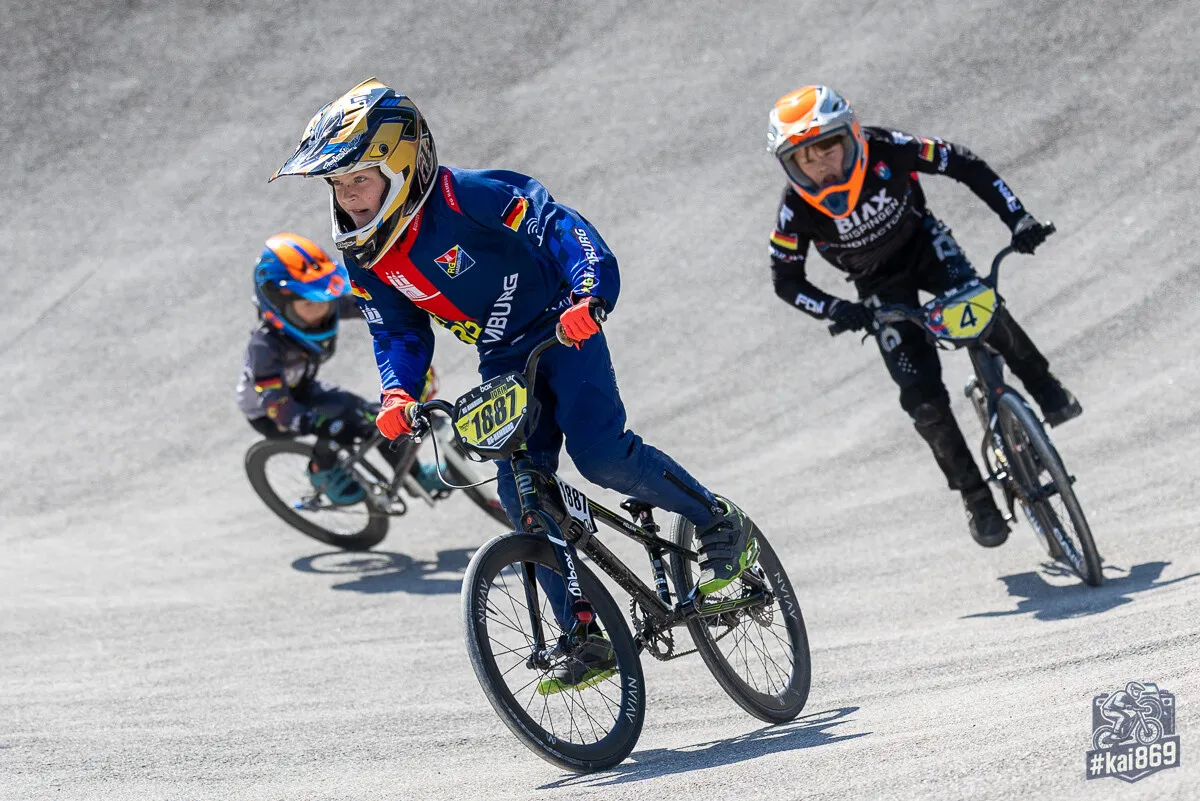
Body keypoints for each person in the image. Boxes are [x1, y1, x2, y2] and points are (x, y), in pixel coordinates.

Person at [269, 79, 758, 691]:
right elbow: (396, 331)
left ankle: (716, 521)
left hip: (564, 327)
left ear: (401, 168)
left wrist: (590, 293)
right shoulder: (367, 256)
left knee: (601, 456)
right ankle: (583, 634)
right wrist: (398, 393)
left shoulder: (468, 196)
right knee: (521, 493)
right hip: (501, 356)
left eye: (359, 181)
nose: (349, 199)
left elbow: (562, 227)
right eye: (338, 187)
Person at [764, 85, 1081, 548]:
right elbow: (786, 282)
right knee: (924, 403)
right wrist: (839, 309)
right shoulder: (793, 213)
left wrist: (1018, 219)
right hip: (877, 288)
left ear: (852, 135)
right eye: (804, 159)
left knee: (987, 314)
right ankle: (976, 498)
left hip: (927, 249)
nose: (821, 166)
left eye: (828, 147)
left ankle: (1047, 389)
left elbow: (965, 164)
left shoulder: (890, 147)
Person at [236, 232, 441, 505]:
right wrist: (326, 425)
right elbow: (278, 406)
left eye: (324, 301)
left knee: (375, 420)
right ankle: (321, 472)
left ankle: (413, 475)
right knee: (336, 429)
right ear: (277, 305)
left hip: (303, 389)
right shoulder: (264, 347)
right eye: (309, 303)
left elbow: (368, 304)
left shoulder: (317, 309)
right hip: (270, 411)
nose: (321, 311)